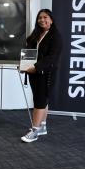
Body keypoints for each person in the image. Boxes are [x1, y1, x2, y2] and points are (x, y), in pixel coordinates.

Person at [21, 9, 62, 143]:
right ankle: (42, 126)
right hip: (33, 73)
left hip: (46, 73)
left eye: (45, 17)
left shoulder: (55, 36)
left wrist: (36, 67)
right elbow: (29, 52)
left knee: (40, 100)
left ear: (51, 20)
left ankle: (35, 130)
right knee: (42, 99)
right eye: (40, 18)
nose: (42, 20)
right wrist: (24, 66)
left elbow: (52, 57)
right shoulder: (36, 34)